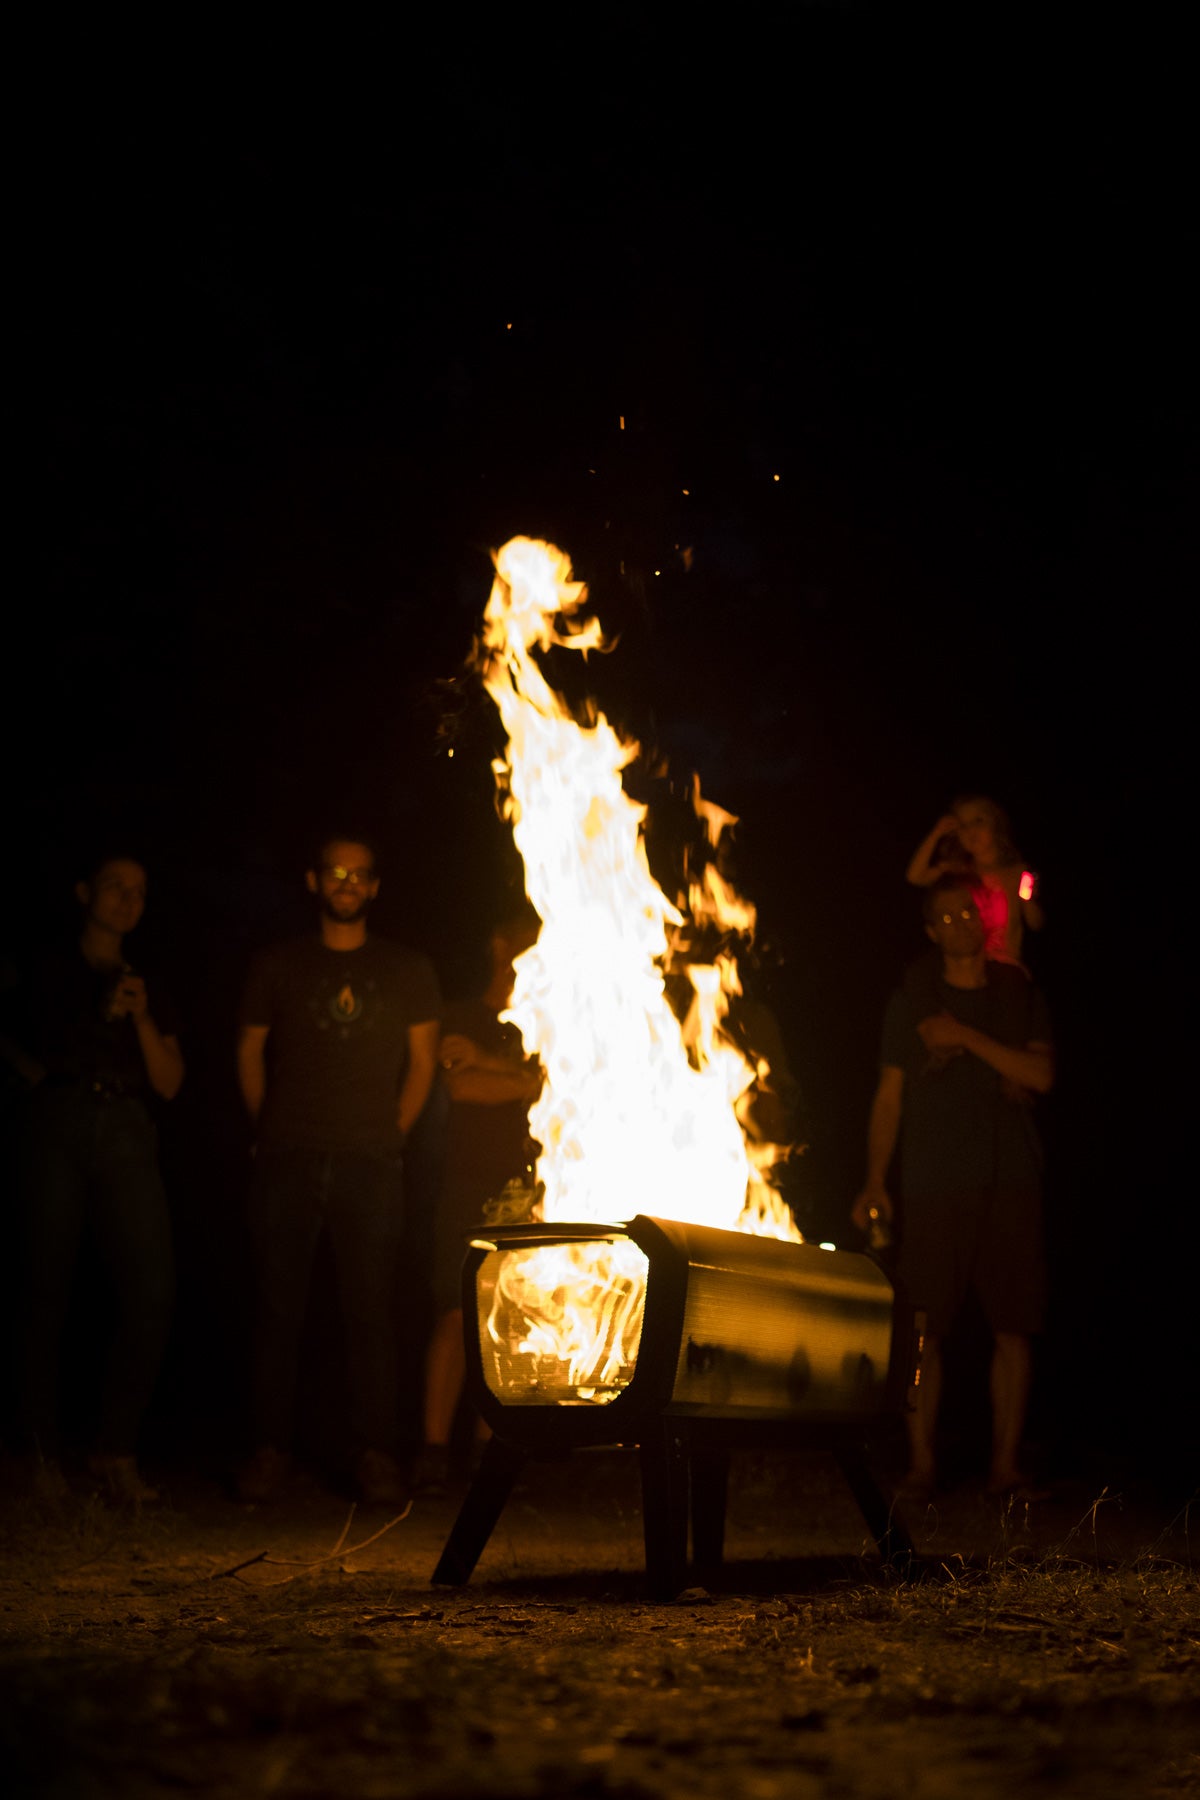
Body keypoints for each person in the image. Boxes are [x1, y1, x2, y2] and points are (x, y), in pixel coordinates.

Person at [236, 834, 441, 1505]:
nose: (347, 883)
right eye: (335, 873)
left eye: (359, 874)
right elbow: (249, 1054)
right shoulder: (278, 964)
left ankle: (375, 1454)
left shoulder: (408, 968)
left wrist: (390, 1134)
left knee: (371, 1312)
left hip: (372, 1161)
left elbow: (423, 1062)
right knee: (277, 1308)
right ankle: (269, 1451)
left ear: (375, 887)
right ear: (314, 881)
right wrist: (276, 1131)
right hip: (289, 1156)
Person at [852, 873, 1054, 1502]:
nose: (961, 923)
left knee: (1013, 1326)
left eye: (969, 912)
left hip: (1010, 1177)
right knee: (923, 1329)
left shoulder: (1017, 992)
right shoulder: (910, 1000)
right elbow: (890, 1096)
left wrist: (966, 1037)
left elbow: (1042, 1075)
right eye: (947, 917)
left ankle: (1004, 1466)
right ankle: (921, 1465)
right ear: (930, 930)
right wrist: (874, 1180)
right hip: (934, 1179)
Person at [5, 854, 183, 1503]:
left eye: (139, 890)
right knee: (43, 1286)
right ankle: (38, 1455)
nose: (127, 899)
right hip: (56, 1120)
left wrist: (137, 1015)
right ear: (84, 891)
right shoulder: (44, 964)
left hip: (129, 1124)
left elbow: (170, 1081)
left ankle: (115, 1451)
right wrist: (33, 1079)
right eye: (115, 885)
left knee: (152, 1289)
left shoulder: (147, 981)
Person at [413, 910, 542, 1493]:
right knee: (456, 1313)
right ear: (498, 944)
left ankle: (496, 1459)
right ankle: (434, 1452)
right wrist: (526, 1080)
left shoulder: (554, 1021)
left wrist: (496, 1067)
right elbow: (458, 1085)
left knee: (518, 1318)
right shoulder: (463, 1015)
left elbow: (563, 1087)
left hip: (533, 1186)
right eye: (526, 941)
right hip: (467, 1182)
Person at [905, 795, 1045, 967]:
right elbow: (915, 877)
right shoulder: (959, 870)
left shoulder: (1018, 873)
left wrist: (1027, 899)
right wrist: (936, 833)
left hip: (1007, 967)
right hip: (967, 970)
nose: (970, 830)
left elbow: (1035, 923)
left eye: (978, 821)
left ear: (996, 825)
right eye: (962, 826)